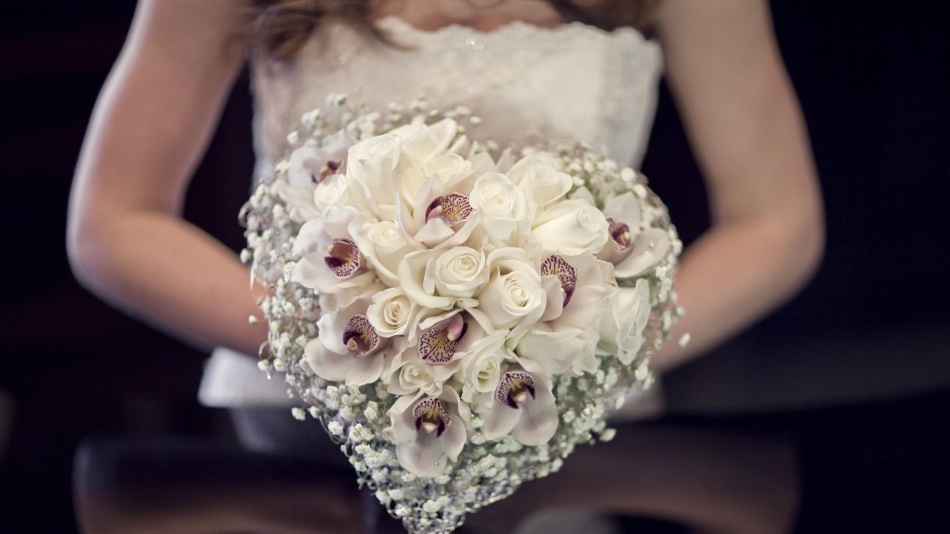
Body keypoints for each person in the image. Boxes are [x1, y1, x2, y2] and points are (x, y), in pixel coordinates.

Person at [67, 1, 823, 533]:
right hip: (294, 438)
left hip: (570, 431)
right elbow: (113, 220)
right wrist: (347, 352)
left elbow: (776, 222)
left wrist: (578, 358)